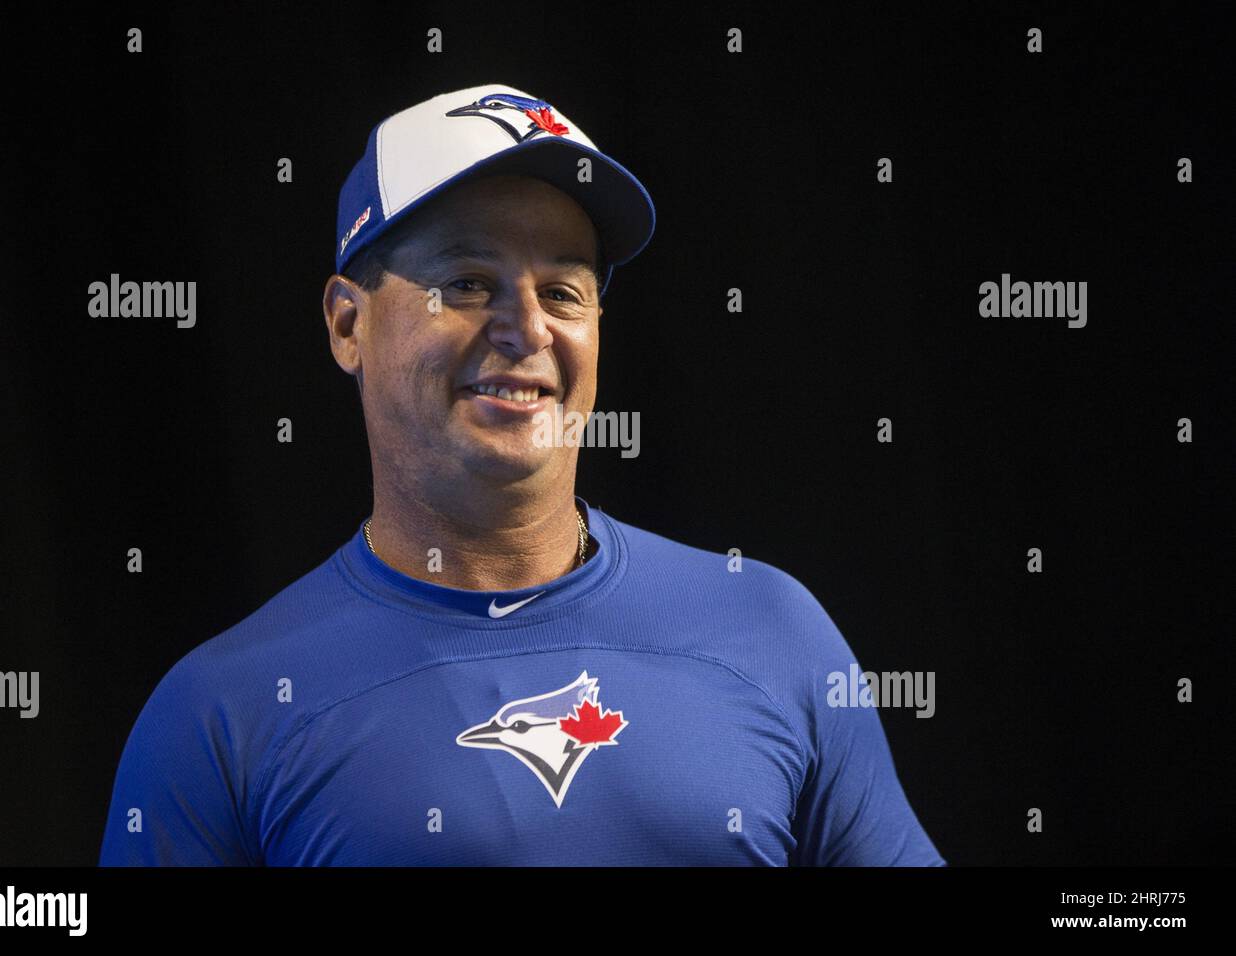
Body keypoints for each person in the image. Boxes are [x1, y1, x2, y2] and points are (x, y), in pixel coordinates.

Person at [99, 84, 945, 866]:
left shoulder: (770, 632)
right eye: (467, 283)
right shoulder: (223, 715)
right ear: (348, 323)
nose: (526, 328)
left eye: (564, 291)